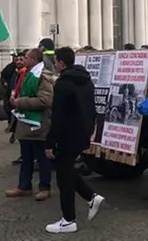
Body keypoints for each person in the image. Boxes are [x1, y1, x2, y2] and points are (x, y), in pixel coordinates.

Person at [44, 47, 104, 234]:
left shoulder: (63, 84)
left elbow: (58, 116)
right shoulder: (86, 80)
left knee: (63, 176)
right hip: (82, 132)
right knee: (66, 170)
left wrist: (49, 142)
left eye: (55, 61)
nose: (54, 64)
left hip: (67, 134)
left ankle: (69, 219)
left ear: (61, 62)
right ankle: (91, 197)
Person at [6, 49, 54, 201]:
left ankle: (45, 187)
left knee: (42, 158)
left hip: (38, 123)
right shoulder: (26, 74)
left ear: (33, 59)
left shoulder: (43, 76)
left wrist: (20, 102)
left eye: (26, 57)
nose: (23, 60)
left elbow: (45, 101)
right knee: (26, 157)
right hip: (25, 122)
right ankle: (24, 186)